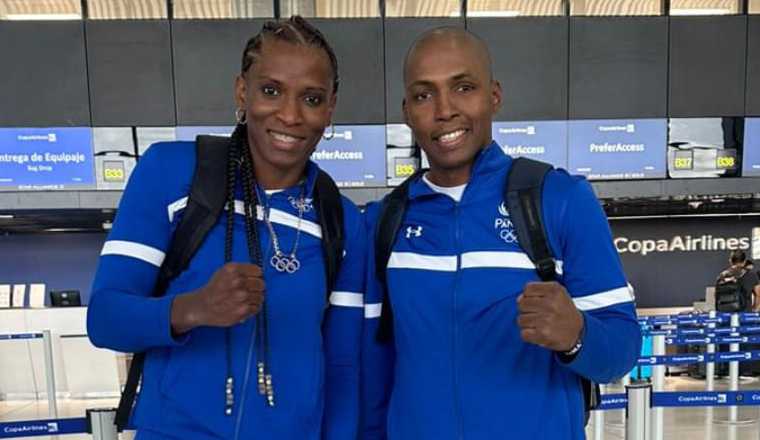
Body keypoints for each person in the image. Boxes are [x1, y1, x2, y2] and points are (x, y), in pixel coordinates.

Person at [87, 16, 365, 440]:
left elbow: (342, 367)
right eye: (270, 91)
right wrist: (192, 309)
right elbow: (105, 319)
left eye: (311, 98)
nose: (290, 115)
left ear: (330, 109)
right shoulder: (172, 173)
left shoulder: (342, 220)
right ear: (242, 91)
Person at [360, 27, 641, 439]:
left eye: (463, 87)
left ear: (493, 95)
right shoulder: (385, 222)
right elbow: (374, 368)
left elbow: (622, 349)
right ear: (406, 111)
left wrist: (577, 336)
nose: (444, 110)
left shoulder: (559, 200)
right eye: (424, 95)